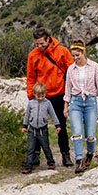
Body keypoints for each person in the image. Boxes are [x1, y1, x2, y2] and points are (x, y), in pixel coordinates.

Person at [26, 27, 74, 167]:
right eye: (36, 44)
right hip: (41, 96)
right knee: (36, 126)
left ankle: (65, 155)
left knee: (61, 127)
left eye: (41, 43)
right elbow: (30, 77)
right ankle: (35, 156)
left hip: (59, 94)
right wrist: (31, 96)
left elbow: (71, 72)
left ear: (48, 39)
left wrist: (70, 94)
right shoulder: (33, 55)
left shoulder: (62, 51)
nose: (39, 47)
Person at [63, 39, 98, 174]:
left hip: (90, 102)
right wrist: (66, 106)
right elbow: (68, 89)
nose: (75, 58)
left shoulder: (95, 67)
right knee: (76, 132)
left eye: (78, 55)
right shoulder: (71, 69)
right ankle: (79, 160)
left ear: (83, 52)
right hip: (75, 102)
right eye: (73, 56)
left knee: (90, 135)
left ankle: (90, 153)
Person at [22, 82, 61, 173]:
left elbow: (53, 114)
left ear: (45, 93)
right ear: (34, 94)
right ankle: (28, 165)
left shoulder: (48, 103)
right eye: (38, 96)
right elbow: (27, 115)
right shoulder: (31, 103)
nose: (40, 98)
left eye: (42, 95)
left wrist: (57, 125)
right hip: (32, 129)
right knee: (30, 148)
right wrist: (25, 126)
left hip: (43, 129)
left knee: (46, 147)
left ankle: (51, 162)